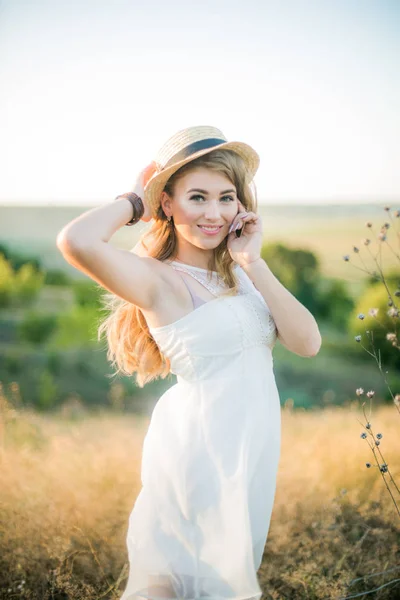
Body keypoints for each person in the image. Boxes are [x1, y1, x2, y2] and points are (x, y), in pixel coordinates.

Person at [56, 125, 321, 600]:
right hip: (194, 456)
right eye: (197, 197)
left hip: (246, 460)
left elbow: (307, 342)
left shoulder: (240, 272)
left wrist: (254, 263)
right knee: (172, 580)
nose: (214, 213)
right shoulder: (158, 281)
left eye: (227, 197)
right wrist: (134, 200)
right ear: (168, 203)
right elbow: (76, 241)